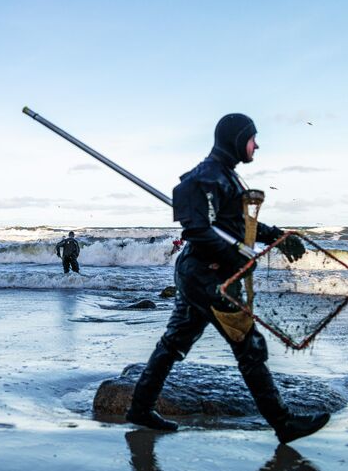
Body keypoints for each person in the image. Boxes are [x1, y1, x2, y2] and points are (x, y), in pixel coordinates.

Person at [124, 113, 324, 444]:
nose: (256, 144)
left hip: (198, 273)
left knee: (174, 343)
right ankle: (284, 423)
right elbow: (197, 230)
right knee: (249, 346)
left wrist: (276, 236)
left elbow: (235, 226)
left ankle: (140, 409)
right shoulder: (207, 177)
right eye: (251, 138)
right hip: (208, 276)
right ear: (235, 139)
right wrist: (233, 255)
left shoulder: (226, 177)